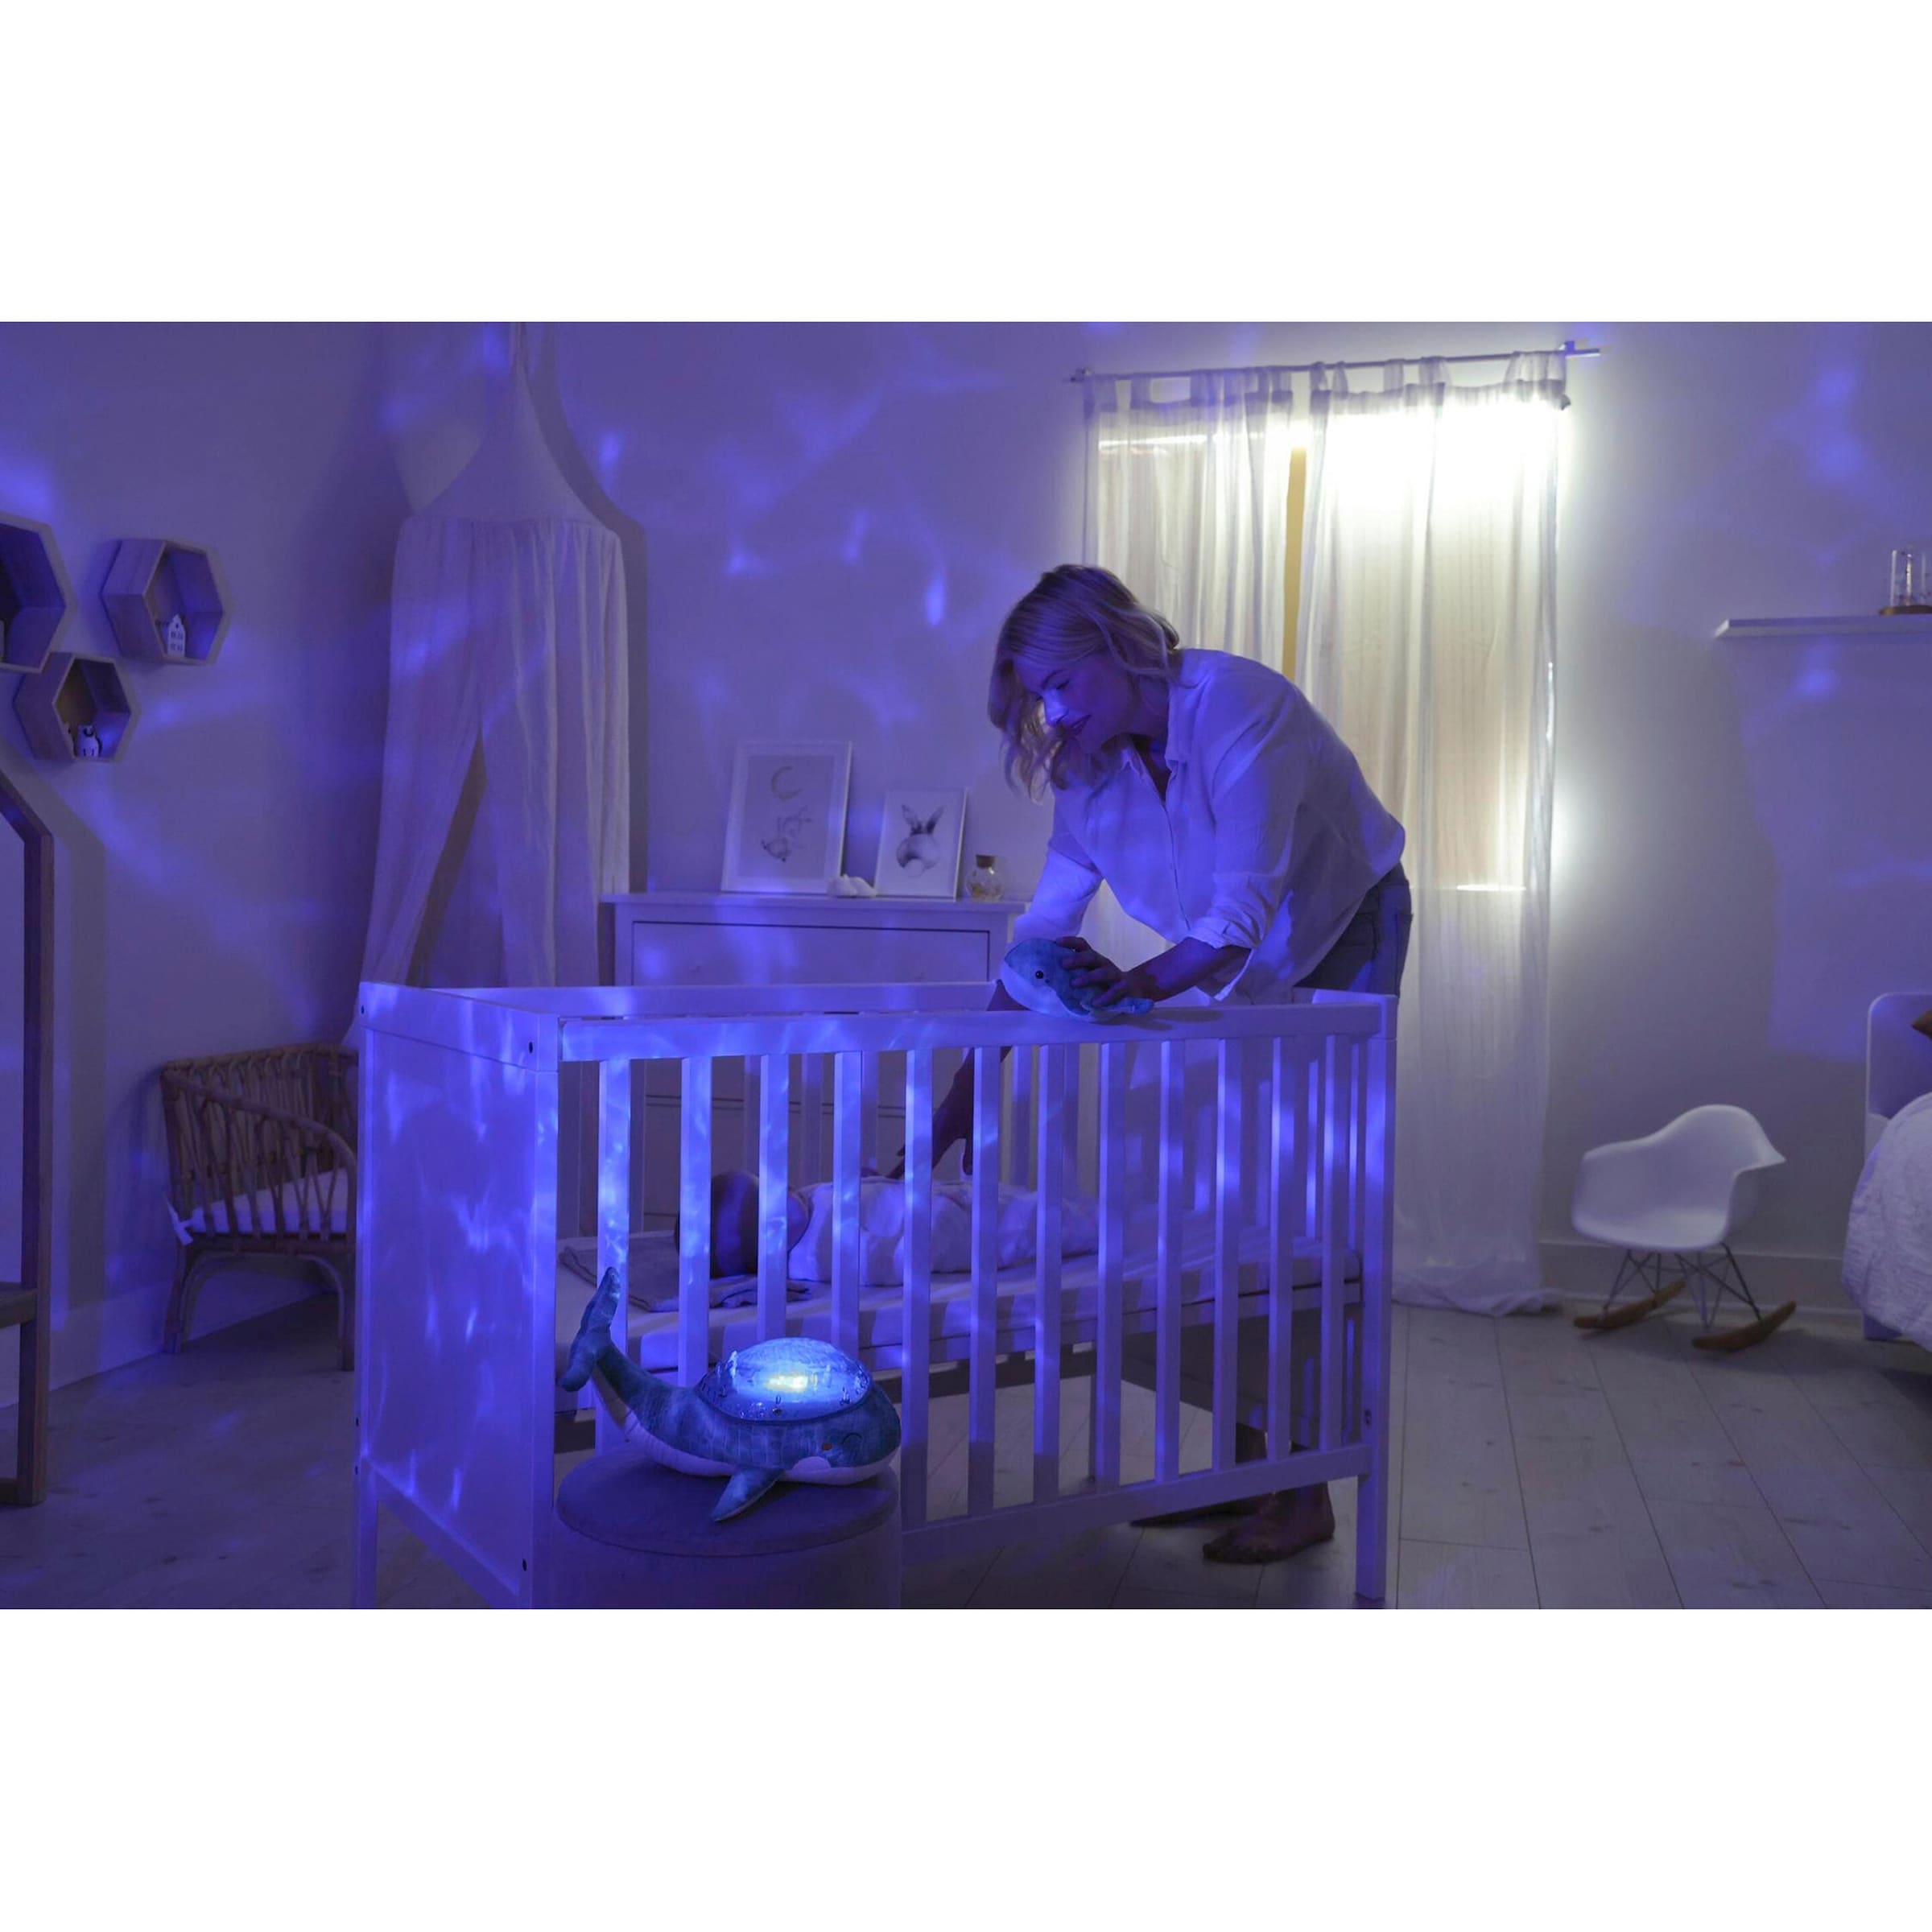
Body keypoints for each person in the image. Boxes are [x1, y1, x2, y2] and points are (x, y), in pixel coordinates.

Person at [927, 564, 1412, 1566]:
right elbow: (1042, 935)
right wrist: (952, 1110)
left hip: (1341, 926)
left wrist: (1130, 987)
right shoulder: (1088, 769)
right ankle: (1245, 1475)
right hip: (1222, 958)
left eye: (1063, 683)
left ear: (1116, 644)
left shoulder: (1236, 704)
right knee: (1233, 1206)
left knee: (1307, 1207)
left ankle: (1306, 1490)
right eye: (1039, 696)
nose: (1054, 714)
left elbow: (1239, 916)